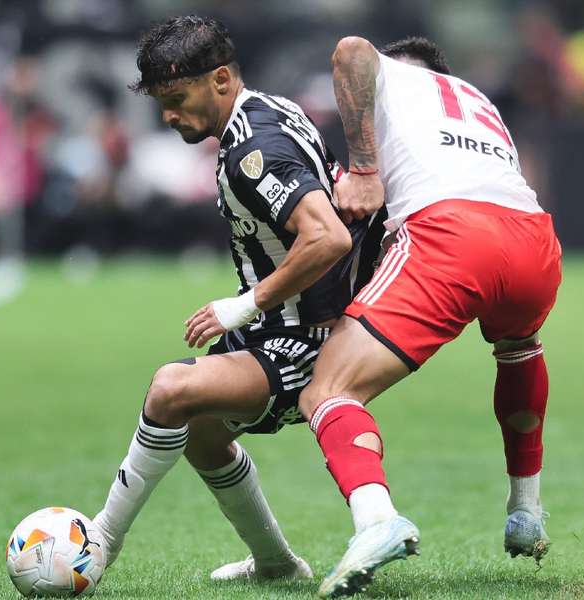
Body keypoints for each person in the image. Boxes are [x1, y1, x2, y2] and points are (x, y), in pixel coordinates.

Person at [90, 15, 383, 583]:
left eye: (176, 98)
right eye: (161, 102)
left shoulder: (255, 149)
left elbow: (327, 236)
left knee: (171, 388)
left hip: (305, 338)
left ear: (220, 79)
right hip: (279, 324)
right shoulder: (266, 110)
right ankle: (276, 565)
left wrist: (245, 303)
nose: (169, 115)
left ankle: (99, 541)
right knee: (198, 430)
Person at [296, 36, 563, 597]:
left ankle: (376, 520)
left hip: (451, 232)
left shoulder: (391, 74)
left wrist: (364, 166)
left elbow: (349, 51)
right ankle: (526, 509)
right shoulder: (475, 98)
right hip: (535, 240)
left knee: (328, 391)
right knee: (518, 348)